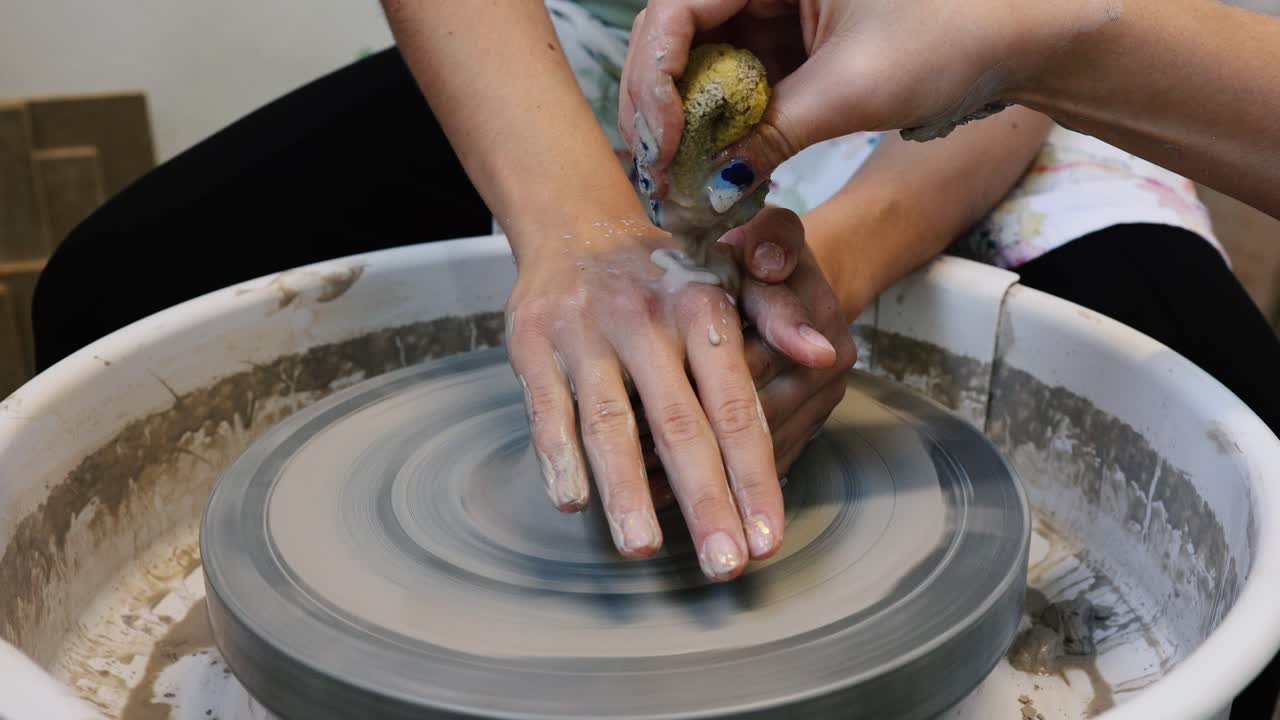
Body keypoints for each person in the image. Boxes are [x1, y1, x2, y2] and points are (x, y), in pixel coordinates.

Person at [619, 0, 1280, 714]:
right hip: (586, 112)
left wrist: (836, 260)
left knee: (1229, 408)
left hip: (1011, 114)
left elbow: (995, 45)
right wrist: (583, 242)